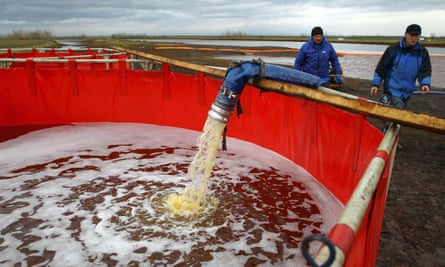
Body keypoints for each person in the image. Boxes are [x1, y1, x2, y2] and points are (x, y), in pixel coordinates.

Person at [370, 24, 432, 109]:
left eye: (416, 36)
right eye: (411, 35)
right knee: (398, 108)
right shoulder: (393, 49)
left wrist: (425, 84)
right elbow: (381, 68)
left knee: (397, 114)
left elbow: (425, 70)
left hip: (408, 92)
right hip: (391, 90)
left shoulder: (422, 52)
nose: (413, 38)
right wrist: (375, 84)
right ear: (405, 34)